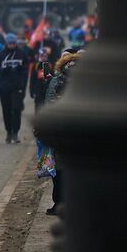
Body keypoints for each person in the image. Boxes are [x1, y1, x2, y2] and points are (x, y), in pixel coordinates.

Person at [44, 49, 80, 215]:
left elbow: (49, 105)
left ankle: (61, 203)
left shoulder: (57, 81)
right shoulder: (86, 82)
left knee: (59, 171)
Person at [0, 33, 30, 144]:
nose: (12, 45)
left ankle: (15, 132)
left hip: (17, 86)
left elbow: (26, 67)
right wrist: (4, 70)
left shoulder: (21, 53)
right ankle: (8, 132)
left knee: (16, 109)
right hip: (4, 86)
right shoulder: (1, 54)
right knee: (6, 110)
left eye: (13, 43)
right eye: (10, 43)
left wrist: (20, 69)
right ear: (6, 43)